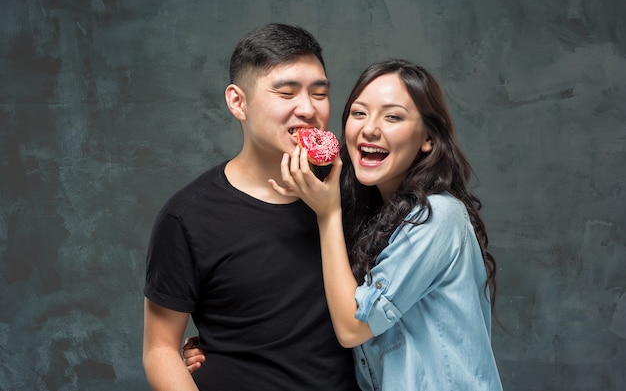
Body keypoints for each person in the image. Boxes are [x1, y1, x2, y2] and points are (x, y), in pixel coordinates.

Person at [186, 59, 503, 389]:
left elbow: (353, 327)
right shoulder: (370, 217)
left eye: (393, 116)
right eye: (359, 112)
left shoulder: (438, 217)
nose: (370, 128)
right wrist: (223, 345)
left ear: (428, 139)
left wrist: (328, 214)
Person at [142, 23, 358, 391]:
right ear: (237, 102)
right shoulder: (187, 216)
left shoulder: (357, 191)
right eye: (286, 92)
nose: (307, 108)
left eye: (319, 93)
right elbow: (160, 350)